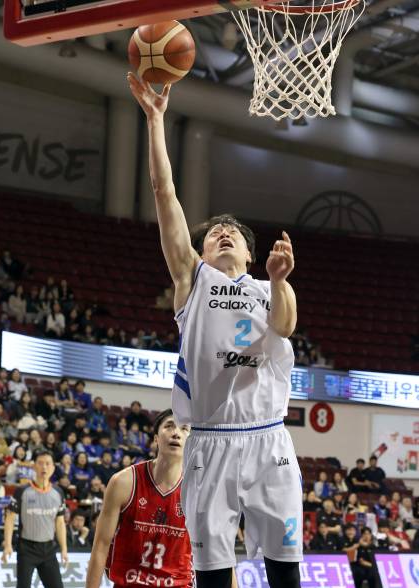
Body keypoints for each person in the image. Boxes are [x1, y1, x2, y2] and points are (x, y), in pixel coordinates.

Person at [128, 72, 301, 588]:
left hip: (269, 439)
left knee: (285, 571)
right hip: (210, 443)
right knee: (213, 576)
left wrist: (278, 279)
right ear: (202, 254)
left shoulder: (271, 285)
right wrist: (156, 120)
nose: (222, 234)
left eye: (233, 234)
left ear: (249, 253)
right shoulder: (193, 280)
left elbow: (286, 328)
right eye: (213, 235)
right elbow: (164, 191)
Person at [85, 409, 193, 588]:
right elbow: (101, 546)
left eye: (184, 429)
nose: (176, 433)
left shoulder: (197, 488)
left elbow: (218, 552)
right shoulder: (123, 482)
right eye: (169, 426)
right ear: (156, 439)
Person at [1, 449, 68, 588]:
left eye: (48, 464)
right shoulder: (22, 491)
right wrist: (7, 544)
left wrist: (64, 549)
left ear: (53, 468)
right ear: (33, 466)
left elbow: (60, 522)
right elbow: (10, 517)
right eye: (40, 463)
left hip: (49, 550)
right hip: (27, 549)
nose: (44, 467)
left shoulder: (58, 493)